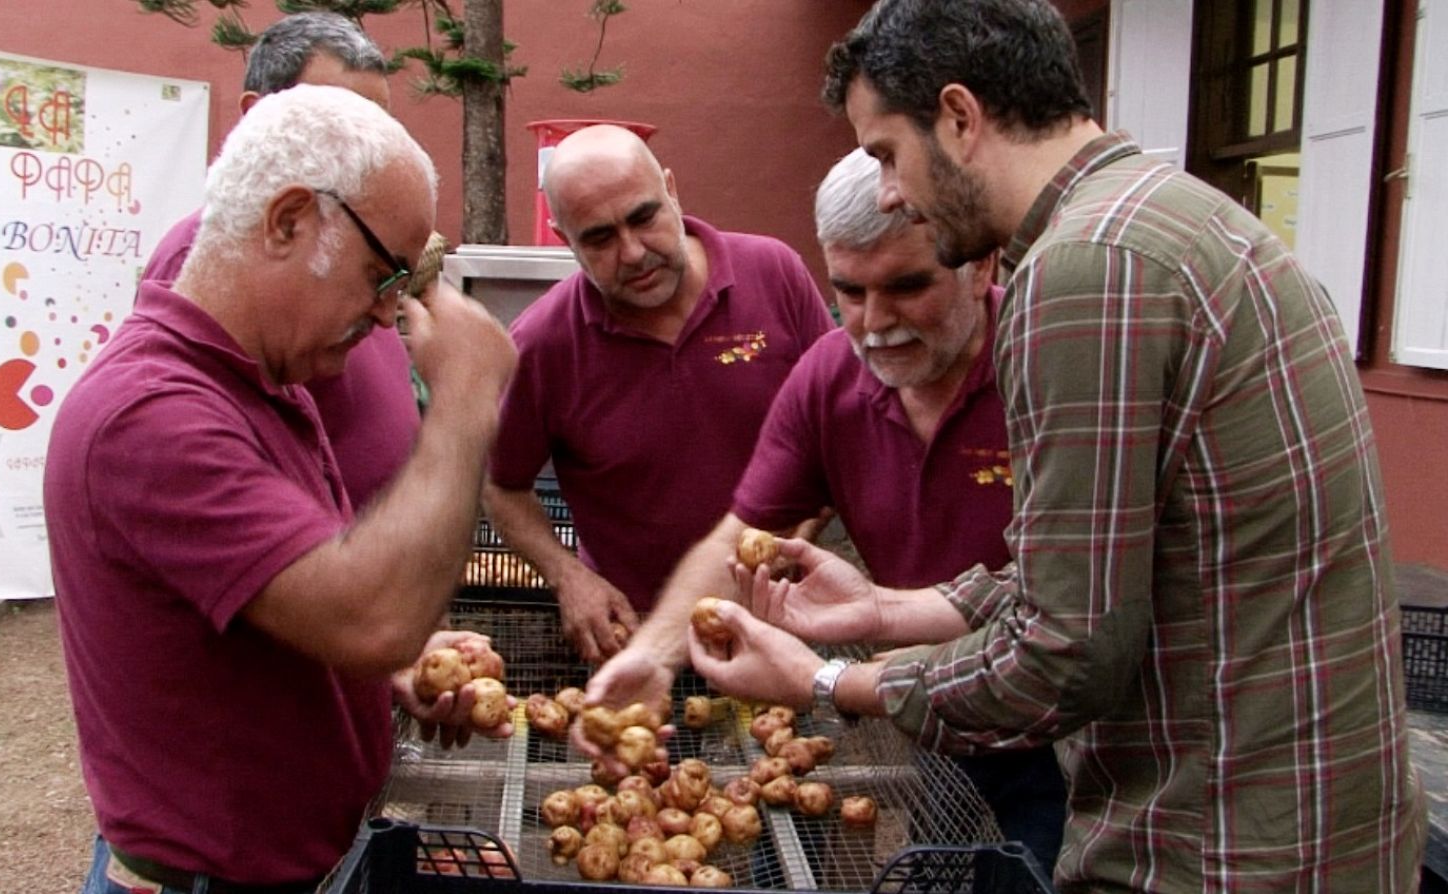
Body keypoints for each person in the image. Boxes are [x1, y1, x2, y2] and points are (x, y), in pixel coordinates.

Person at [689, 1, 1425, 891]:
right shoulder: (1179, 217)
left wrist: (824, 683)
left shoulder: (1083, 271)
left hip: (1220, 849)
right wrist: (888, 613)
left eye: (886, 152)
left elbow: (1063, 655)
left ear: (959, 118)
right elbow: (1113, 565)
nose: (888, 191)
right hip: (1325, 830)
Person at [46, 85, 517, 893]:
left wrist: (396, 670)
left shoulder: (269, 384)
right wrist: (466, 403)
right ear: (288, 220)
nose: (385, 313)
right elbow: (371, 619)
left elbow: (302, 603)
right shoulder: (148, 418)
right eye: (381, 274)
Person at [586, 148, 1067, 870]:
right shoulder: (830, 376)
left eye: (908, 286)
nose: (876, 323)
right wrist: (656, 658)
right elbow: (745, 534)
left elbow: (1072, 609)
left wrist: (851, 651)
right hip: (926, 709)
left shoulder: (1050, 371)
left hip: (1073, 743)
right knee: (947, 865)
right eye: (849, 290)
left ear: (981, 264)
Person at [482, 124, 835, 663]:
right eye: (598, 238)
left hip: (778, 618)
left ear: (672, 189)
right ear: (562, 237)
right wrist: (568, 578)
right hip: (634, 634)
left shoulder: (774, 274)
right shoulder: (543, 343)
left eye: (644, 218)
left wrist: (798, 540)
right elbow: (500, 486)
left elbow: (842, 429)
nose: (632, 252)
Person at [144, 11, 420, 506]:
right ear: (256, 117)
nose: (368, 152)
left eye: (379, 128)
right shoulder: (203, 261)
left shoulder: (351, 247)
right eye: (338, 126)